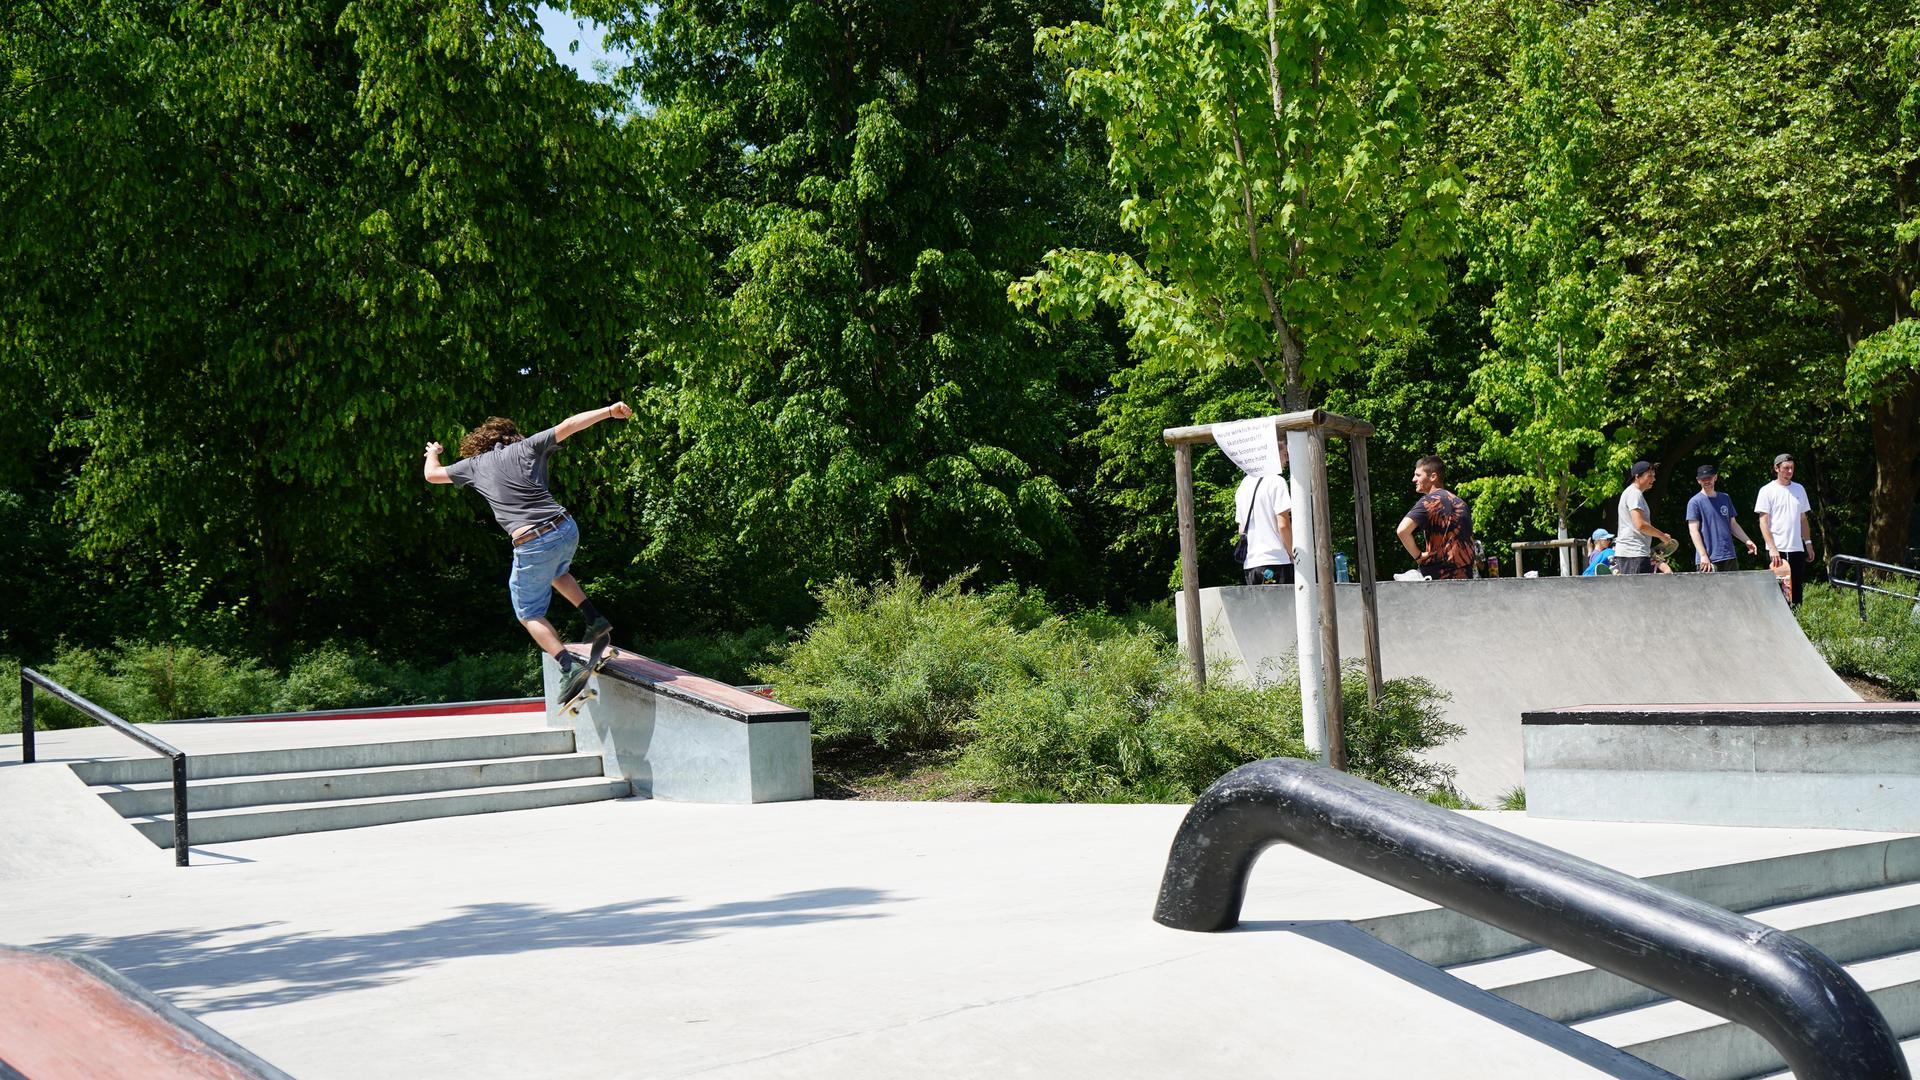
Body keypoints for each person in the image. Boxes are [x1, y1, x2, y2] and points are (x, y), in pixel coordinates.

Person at [424, 402, 633, 702]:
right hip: (566, 527)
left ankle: (567, 667)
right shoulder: (527, 447)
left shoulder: (473, 465)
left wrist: (433, 453)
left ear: (481, 444)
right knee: (557, 572)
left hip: (534, 541)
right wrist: (609, 411)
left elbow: (432, 475)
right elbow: (570, 423)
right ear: (511, 437)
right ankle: (595, 619)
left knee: (529, 612)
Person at [1395, 456, 1475, 580]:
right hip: (1466, 577)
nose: (1413, 479)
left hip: (1439, 578)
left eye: (1418, 475)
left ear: (1433, 477)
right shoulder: (1461, 503)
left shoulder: (1430, 502)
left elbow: (1402, 531)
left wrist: (1418, 556)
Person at [1755, 452, 1816, 605]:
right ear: (1777, 468)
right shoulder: (1767, 490)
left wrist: (1808, 543)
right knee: (1777, 591)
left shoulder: (1799, 489)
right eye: (1786, 468)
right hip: (1777, 549)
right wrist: (1772, 548)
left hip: (1796, 547)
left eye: (1792, 468)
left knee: (1796, 589)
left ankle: (1796, 624)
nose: (1789, 471)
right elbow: (1763, 522)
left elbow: (1803, 519)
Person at [1685, 464, 1759, 573]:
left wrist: (1746, 540)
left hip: (1729, 555)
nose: (1706, 481)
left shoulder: (1725, 498)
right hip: (1708, 559)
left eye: (1709, 478)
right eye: (1703, 479)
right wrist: (1703, 555)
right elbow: (1693, 531)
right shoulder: (1695, 502)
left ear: (1715, 477)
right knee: (1710, 590)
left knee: (1733, 590)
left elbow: (1733, 524)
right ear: (1698, 480)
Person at [1233, 455, 1294, 586]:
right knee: (1283, 606)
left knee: (1260, 607)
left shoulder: (1243, 486)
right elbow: (1283, 525)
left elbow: (1241, 530)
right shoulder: (1276, 481)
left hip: (1251, 564)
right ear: (1273, 454)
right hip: (1276, 560)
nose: (1287, 459)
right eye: (1285, 454)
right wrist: (1293, 555)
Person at [1613, 461, 1677, 575]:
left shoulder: (1633, 493)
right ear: (1637, 476)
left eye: (1654, 475)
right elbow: (1640, 525)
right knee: (1638, 593)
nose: (1654, 479)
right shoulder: (1634, 494)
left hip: (1633, 554)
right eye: (1650, 476)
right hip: (1633, 554)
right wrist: (1662, 537)